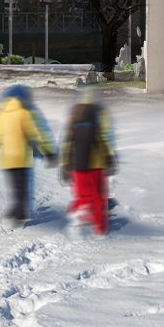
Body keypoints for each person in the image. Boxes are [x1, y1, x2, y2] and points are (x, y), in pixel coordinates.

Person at [0, 84, 57, 225]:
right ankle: (17, 216)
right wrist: (49, 152)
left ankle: (15, 212)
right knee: (23, 189)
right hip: (21, 158)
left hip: (6, 160)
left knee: (15, 188)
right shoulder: (27, 112)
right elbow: (38, 133)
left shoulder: (1, 114)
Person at [60, 86, 118, 236]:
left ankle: (77, 218)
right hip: (97, 163)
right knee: (99, 198)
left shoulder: (74, 112)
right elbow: (105, 137)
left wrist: (65, 165)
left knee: (82, 195)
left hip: (77, 163)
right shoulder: (99, 112)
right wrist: (110, 158)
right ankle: (100, 229)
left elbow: (67, 141)